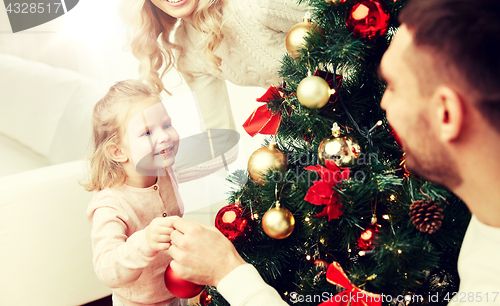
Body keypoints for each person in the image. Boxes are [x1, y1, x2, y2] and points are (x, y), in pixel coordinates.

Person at [167, 0, 500, 305]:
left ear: (446, 114)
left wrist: (229, 272)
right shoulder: (486, 226)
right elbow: (216, 132)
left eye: (394, 87)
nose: (382, 102)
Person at [119, 0, 308, 180]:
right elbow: (219, 139)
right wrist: (155, 171)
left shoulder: (253, 5)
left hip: (333, 95)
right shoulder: (186, 47)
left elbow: (332, 17)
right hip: (314, 121)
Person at [83, 80, 185, 306]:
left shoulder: (164, 172)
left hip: (177, 295)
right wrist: (145, 241)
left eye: (167, 125)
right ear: (118, 151)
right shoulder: (111, 206)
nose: (164, 136)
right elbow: (106, 268)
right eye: (148, 132)